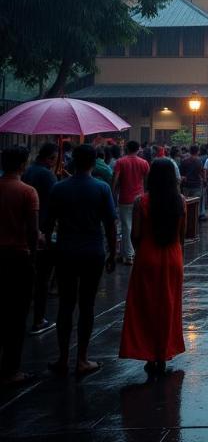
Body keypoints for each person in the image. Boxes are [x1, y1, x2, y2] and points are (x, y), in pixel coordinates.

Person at [45, 144, 117, 376]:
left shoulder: (58, 188)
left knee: (66, 304)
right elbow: (110, 224)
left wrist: (49, 248)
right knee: (87, 305)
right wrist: (113, 253)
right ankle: (82, 358)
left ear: (73, 161)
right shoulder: (102, 188)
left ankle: (63, 357)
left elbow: (47, 225)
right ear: (94, 162)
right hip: (92, 251)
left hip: (65, 250)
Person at [119, 158, 186, 374]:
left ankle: (148, 352)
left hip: (148, 254)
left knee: (145, 306)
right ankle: (164, 351)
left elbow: (135, 235)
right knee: (169, 305)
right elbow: (182, 235)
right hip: (173, 255)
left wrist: (142, 251)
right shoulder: (181, 201)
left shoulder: (142, 202)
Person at [0, 145, 38, 386]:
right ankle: (12, 369)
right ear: (23, 164)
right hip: (17, 255)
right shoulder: (27, 192)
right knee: (16, 314)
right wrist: (34, 255)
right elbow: (33, 231)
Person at [22, 142, 58, 334]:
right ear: (50, 158)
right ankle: (39, 319)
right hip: (43, 230)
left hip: (25, 231)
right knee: (43, 279)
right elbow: (56, 200)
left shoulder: (28, 172)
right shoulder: (46, 175)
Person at [112, 140, 150, 265]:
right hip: (140, 198)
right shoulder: (144, 163)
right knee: (136, 226)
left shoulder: (120, 162)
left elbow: (115, 179)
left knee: (126, 226)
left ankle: (129, 255)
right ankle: (127, 253)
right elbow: (147, 180)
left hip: (125, 198)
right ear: (138, 149)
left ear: (127, 148)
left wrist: (113, 192)